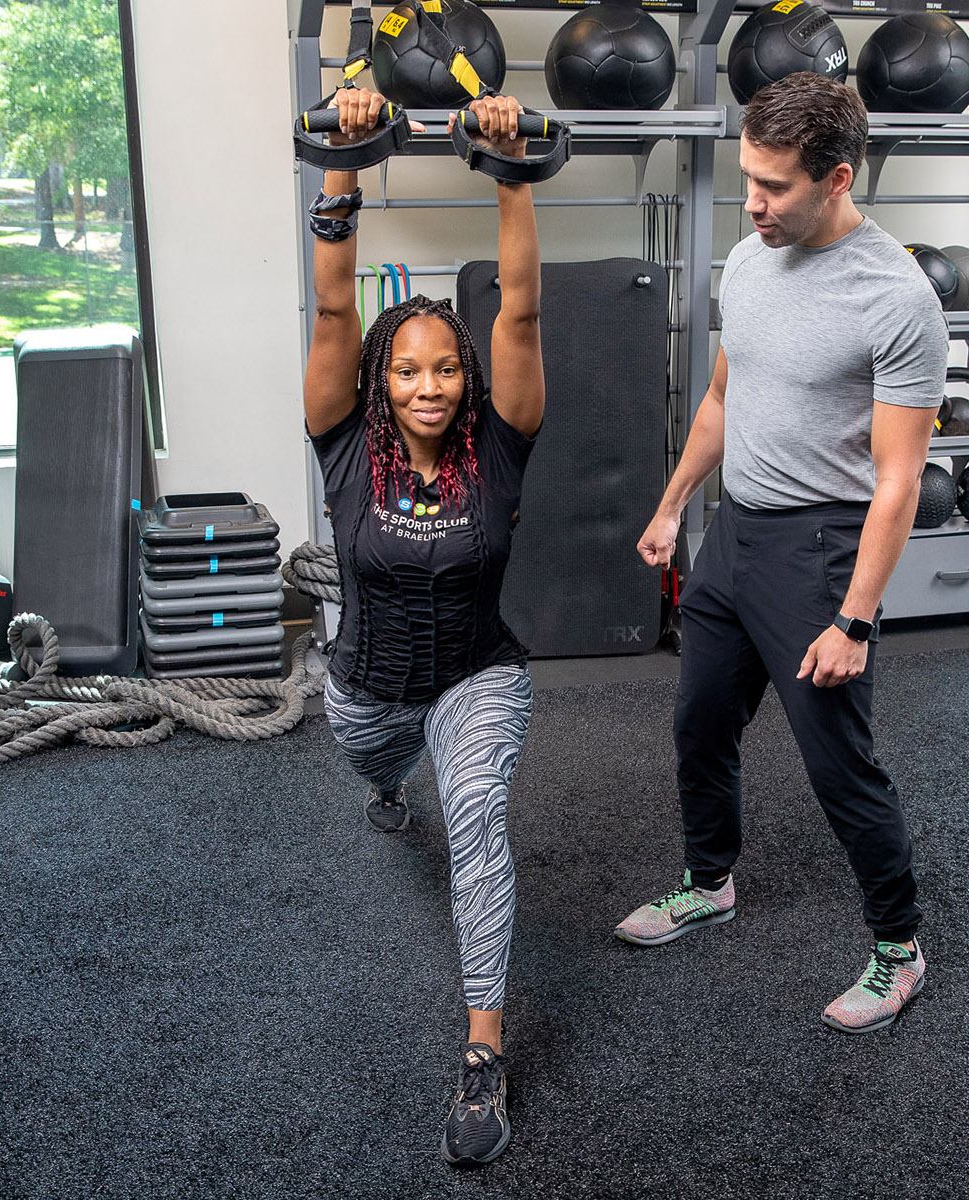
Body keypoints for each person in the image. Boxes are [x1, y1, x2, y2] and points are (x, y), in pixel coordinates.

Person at [614, 72, 948, 1035]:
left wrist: (855, 620)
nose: (752, 203)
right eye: (748, 178)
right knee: (699, 724)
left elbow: (899, 481)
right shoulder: (751, 262)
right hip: (735, 535)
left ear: (837, 178)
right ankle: (708, 882)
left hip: (820, 549)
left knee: (839, 764)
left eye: (774, 185)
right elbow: (724, 398)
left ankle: (899, 947)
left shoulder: (896, 299)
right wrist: (673, 508)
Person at [304, 89, 542, 1165]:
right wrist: (345, 157)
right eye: (408, 369)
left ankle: (483, 1051)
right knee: (373, 759)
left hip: (478, 674)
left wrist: (511, 168)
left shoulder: (503, 444)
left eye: (447, 367)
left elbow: (520, 312)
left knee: (478, 808)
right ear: (380, 380)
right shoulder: (343, 441)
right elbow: (331, 309)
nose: (430, 386)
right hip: (365, 690)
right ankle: (389, 784)